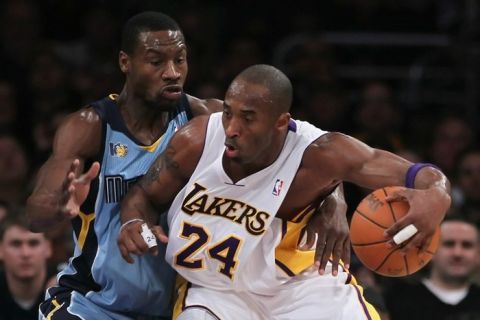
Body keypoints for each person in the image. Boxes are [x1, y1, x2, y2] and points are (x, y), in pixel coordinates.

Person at [26, 12, 350, 320]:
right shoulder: (90, 126)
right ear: (125, 62)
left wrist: (333, 201)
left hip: (179, 307)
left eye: (180, 59)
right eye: (156, 62)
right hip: (93, 303)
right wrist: (58, 207)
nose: (172, 72)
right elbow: (36, 215)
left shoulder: (205, 121)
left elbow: (309, 151)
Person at [118, 64, 451, 319]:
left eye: (248, 118)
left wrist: (437, 196)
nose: (232, 128)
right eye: (230, 113)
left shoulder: (321, 153)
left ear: (280, 122)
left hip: (300, 285)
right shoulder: (198, 140)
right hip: (214, 293)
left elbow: (415, 174)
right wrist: (132, 223)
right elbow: (144, 197)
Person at [384, 216, 480, 320]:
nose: (457, 253)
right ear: (430, 249)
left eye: (467, 245)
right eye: (449, 244)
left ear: (478, 254)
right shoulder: (396, 300)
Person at [0, 208, 53, 320]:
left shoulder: (66, 286)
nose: (25, 254)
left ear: (48, 248)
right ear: (1, 250)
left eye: (33, 243)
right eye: (16, 244)